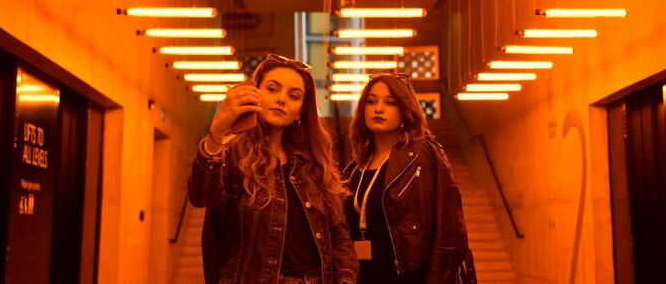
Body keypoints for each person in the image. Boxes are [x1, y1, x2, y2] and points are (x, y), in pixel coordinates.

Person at [189, 54, 358, 284]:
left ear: (300, 110)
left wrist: (346, 278)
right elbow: (201, 195)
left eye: (294, 96)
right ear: (255, 93)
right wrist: (217, 131)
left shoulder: (313, 162)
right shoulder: (232, 154)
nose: (281, 99)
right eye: (272, 89)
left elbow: (338, 233)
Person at [343, 73, 468, 284]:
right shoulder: (355, 168)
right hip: (362, 276)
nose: (378, 109)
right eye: (371, 101)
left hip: (409, 277)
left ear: (404, 109)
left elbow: (450, 229)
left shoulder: (422, 155)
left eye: (390, 103)